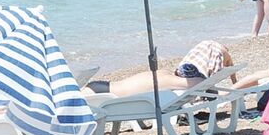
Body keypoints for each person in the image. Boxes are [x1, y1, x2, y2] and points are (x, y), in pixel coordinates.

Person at [86, 40, 236, 96]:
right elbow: (203, 84)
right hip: (105, 93)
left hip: (101, 87)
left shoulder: (167, 75)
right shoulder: (177, 81)